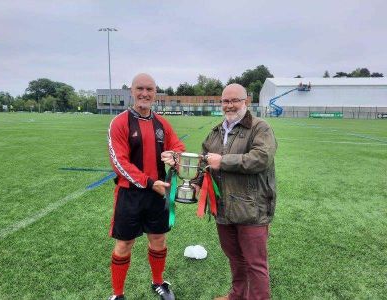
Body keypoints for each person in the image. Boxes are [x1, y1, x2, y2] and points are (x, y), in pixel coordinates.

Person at [107, 73, 185, 300]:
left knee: (158, 240)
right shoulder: (120, 122)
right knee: (125, 243)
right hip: (130, 194)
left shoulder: (161, 123)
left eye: (149, 89)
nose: (145, 93)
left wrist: (175, 155)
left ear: (155, 93)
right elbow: (119, 162)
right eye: (140, 88)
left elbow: (177, 145)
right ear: (132, 91)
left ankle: (159, 282)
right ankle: (118, 294)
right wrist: (149, 183)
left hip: (157, 195)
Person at [201, 83, 277, 300]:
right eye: (226, 101)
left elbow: (261, 158)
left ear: (246, 101)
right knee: (235, 257)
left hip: (251, 208)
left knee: (255, 263)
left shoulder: (260, 128)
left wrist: (223, 161)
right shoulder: (216, 131)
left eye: (235, 100)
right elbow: (204, 159)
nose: (230, 105)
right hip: (223, 207)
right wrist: (197, 181)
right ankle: (237, 295)